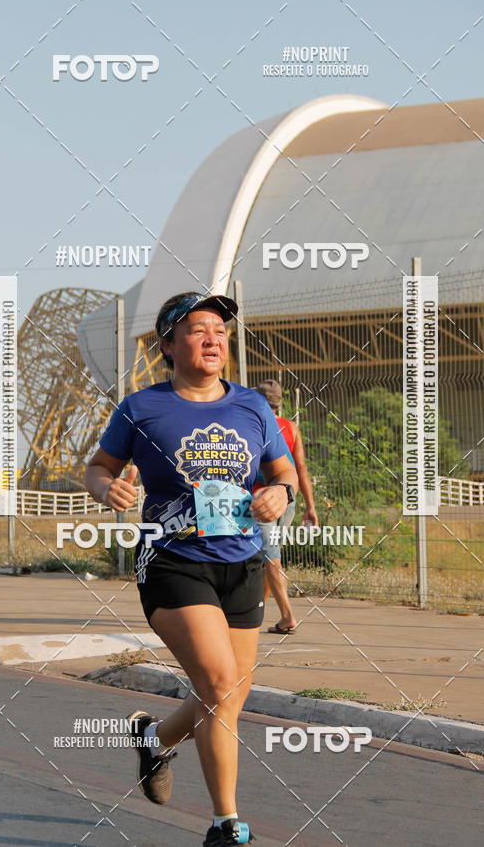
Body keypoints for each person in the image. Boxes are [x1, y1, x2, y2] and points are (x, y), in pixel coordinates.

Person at [85, 291, 298, 847]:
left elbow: (283, 473)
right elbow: (98, 466)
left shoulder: (252, 406)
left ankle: (153, 738)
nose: (213, 339)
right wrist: (109, 487)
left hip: (241, 562)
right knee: (220, 683)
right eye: (198, 329)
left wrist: (279, 493)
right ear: (168, 345)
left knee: (226, 695)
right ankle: (226, 825)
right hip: (172, 563)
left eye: (221, 331)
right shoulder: (142, 407)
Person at [254, 379, 318, 635]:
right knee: (269, 557)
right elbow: (300, 469)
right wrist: (310, 506)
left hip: (262, 500)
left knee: (270, 557)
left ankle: (287, 615)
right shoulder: (291, 427)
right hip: (288, 500)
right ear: (279, 402)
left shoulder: (254, 424)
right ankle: (258, 610)